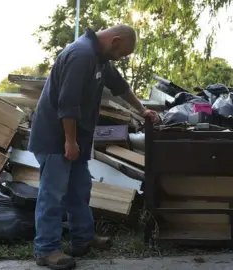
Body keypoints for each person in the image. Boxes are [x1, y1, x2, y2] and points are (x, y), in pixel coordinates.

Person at [28, 25, 160, 270]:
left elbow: (120, 87)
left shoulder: (99, 57)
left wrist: (142, 110)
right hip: (56, 137)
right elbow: (67, 104)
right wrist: (69, 141)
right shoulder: (81, 55)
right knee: (53, 194)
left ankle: (83, 238)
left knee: (80, 188)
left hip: (75, 137)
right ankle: (46, 250)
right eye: (121, 53)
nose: (119, 58)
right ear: (115, 40)